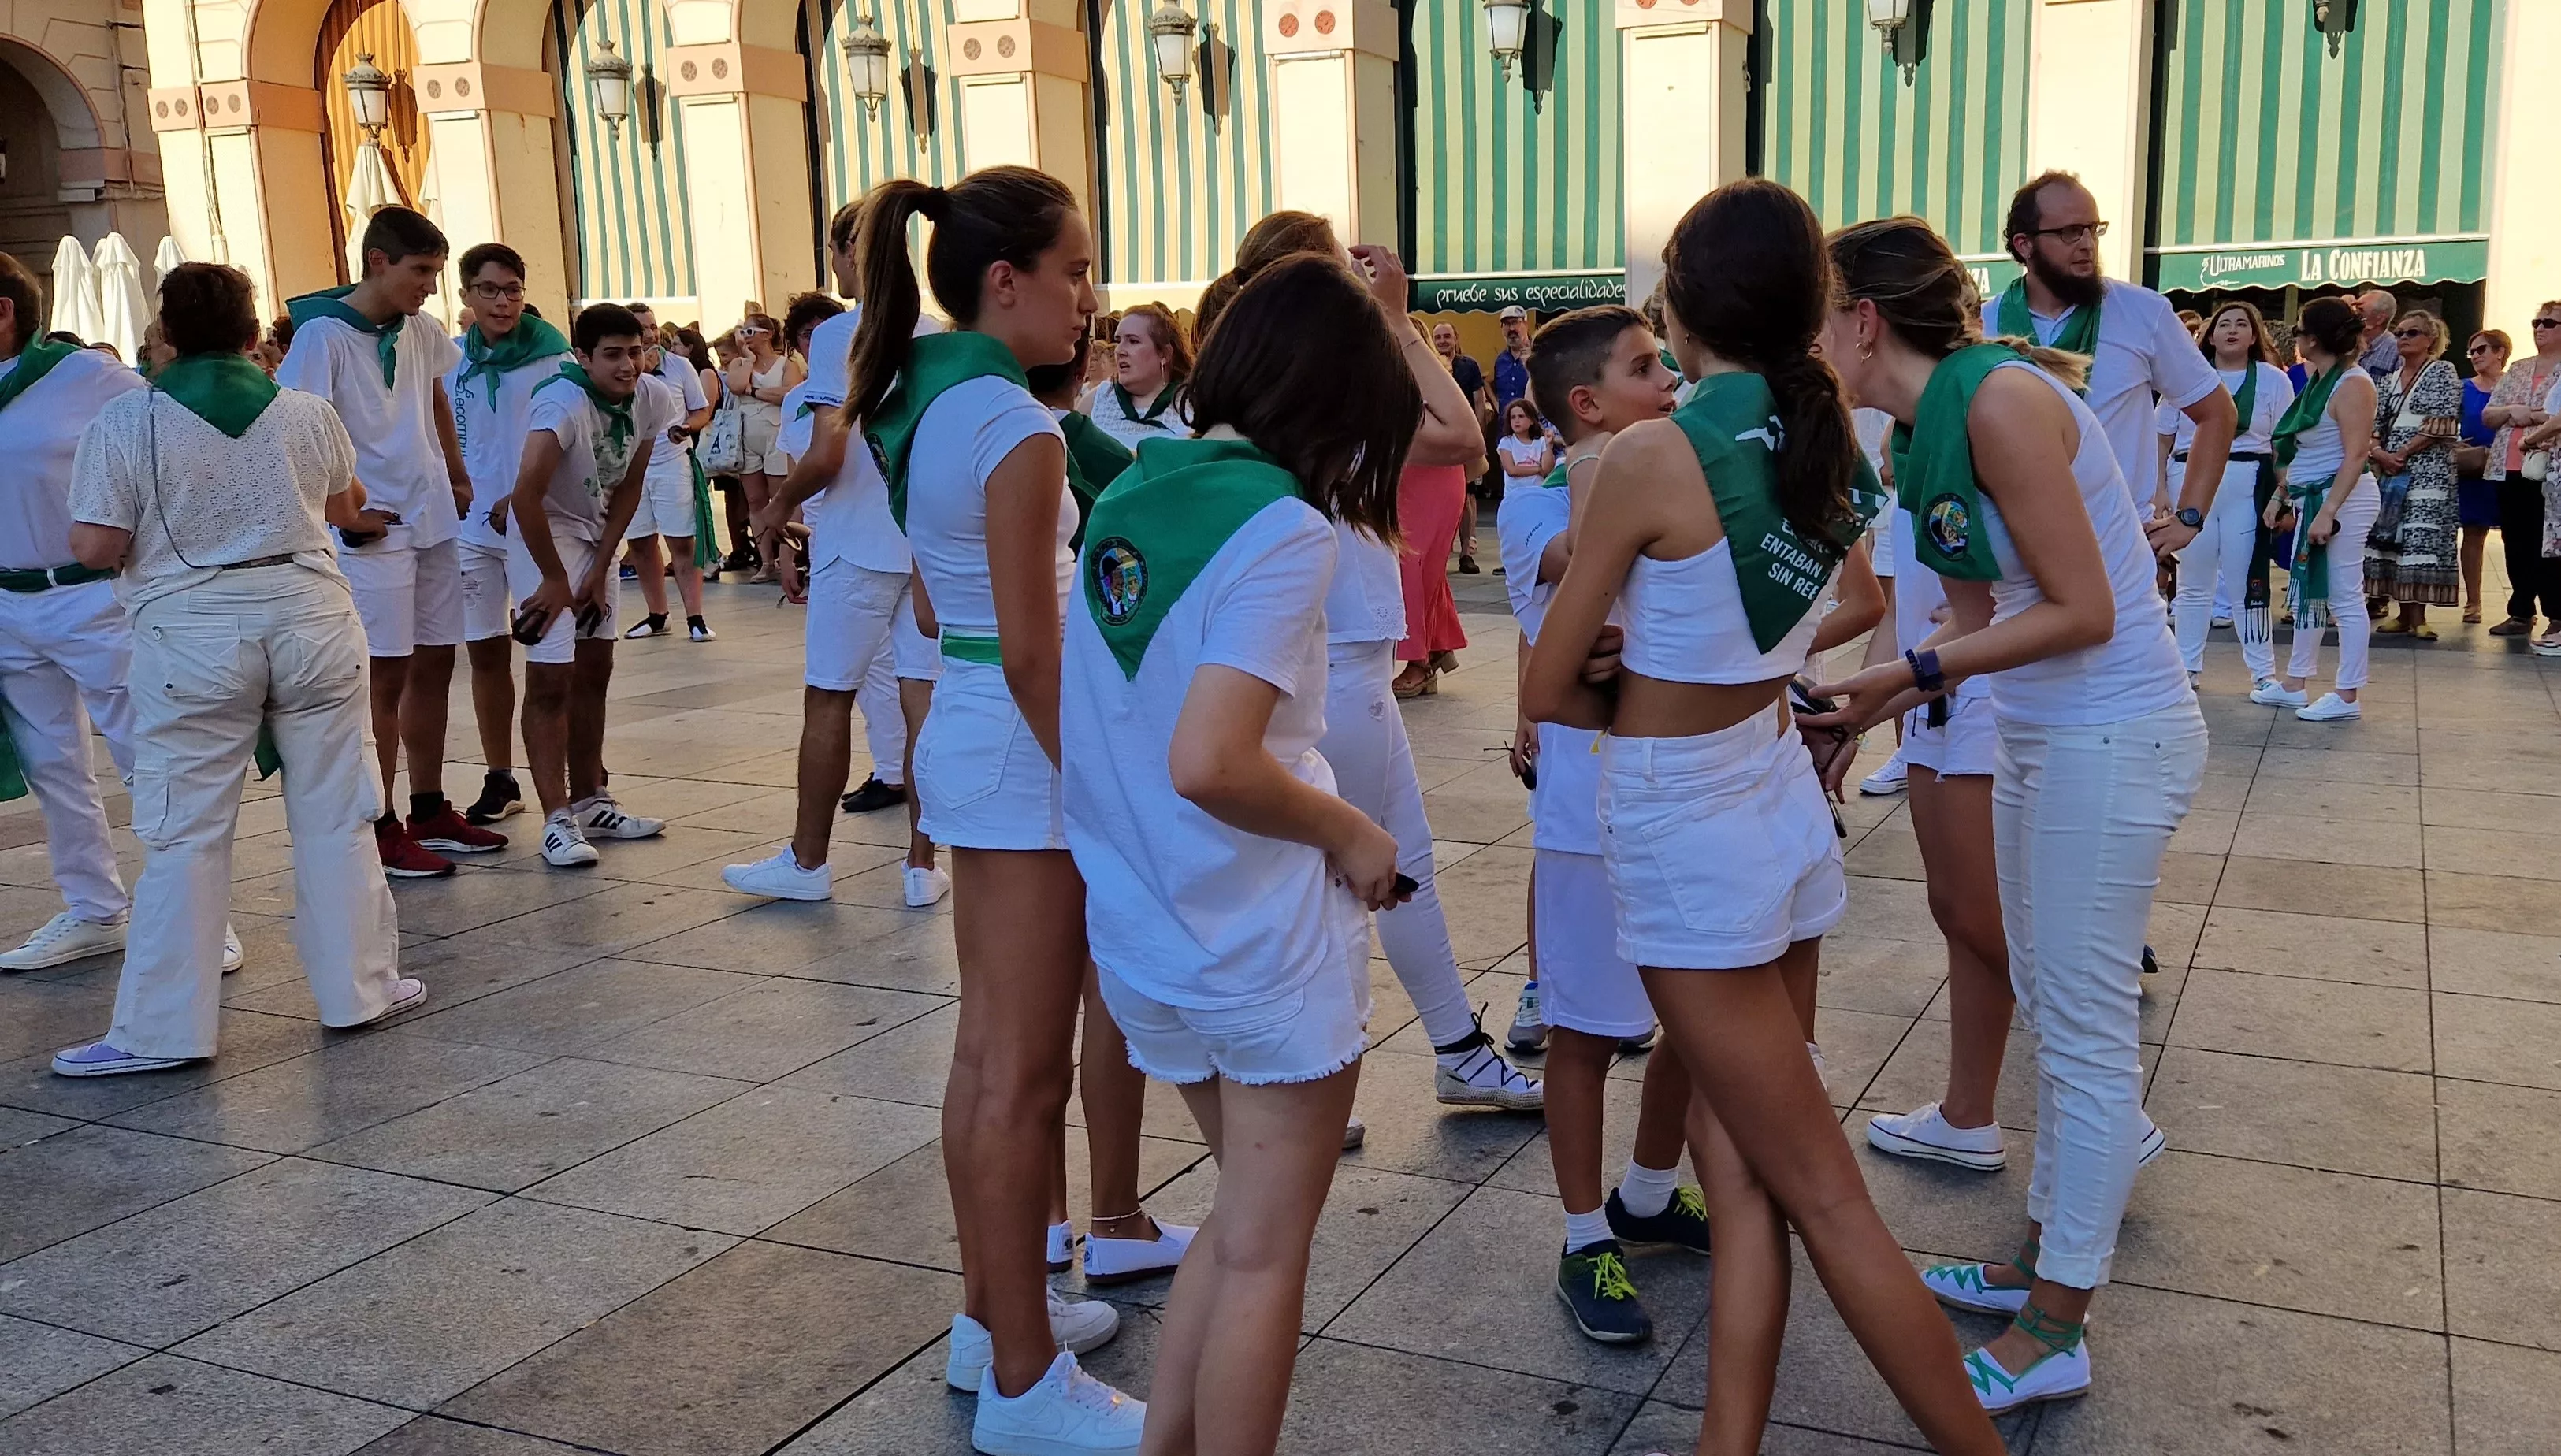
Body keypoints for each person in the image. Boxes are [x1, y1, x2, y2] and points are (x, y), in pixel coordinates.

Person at [1524, 182, 1992, 1454]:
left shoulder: (1652, 455)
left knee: (1823, 1193)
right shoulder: (1823, 434)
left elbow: (1546, 685)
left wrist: (1628, 674)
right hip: (1774, 793)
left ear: (1682, 305)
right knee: (1738, 1170)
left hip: (1687, 826)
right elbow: (1828, 608)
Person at [1812, 212, 2206, 1415]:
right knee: (2046, 997)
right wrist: (1868, 702)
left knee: (2080, 1034)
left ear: (1860, 320)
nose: (1800, 341)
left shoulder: (1998, 403)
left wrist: (1906, 676)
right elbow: (1970, 616)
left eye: (1810, 317)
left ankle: (2058, 1326)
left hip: (2111, 733)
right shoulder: (1920, 425)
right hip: (2045, 733)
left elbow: (2084, 608)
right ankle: (2039, 1259)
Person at [1061, 255, 1415, 1454]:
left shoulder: (1129, 488)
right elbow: (1212, 759)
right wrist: (1355, 834)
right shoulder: (1280, 525)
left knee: (1238, 1221)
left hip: (1144, 927)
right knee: (1268, 1248)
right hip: (1255, 928)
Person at [838, 165, 1138, 1447]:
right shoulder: (1013, 421)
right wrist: (1109, 790)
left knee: (988, 1059)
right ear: (1004, 280)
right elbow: (1032, 647)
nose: (1089, 297)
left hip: (975, 726)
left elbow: (951, 608)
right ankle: (1022, 1379)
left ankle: (991, 1320)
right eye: (1074, 270)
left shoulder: (930, 397)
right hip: (1025, 746)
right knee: (1019, 1075)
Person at [1195, 211, 1544, 1125]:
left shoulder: (1272, 389)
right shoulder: (1319, 392)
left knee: (1391, 862)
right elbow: (1460, 437)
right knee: (1333, 875)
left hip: (1340, 656)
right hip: (1327, 658)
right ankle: (1300, 1075)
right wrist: (1392, 318)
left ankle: (1450, 1050)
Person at [50, 262, 414, 1075]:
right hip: (313, 620)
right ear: (254, 335)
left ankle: (161, 1034)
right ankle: (361, 990)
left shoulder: (126, 420)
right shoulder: (306, 411)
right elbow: (345, 506)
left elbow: (97, 546)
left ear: (165, 336)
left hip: (193, 636)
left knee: (186, 832)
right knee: (336, 816)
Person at [1505, 304, 1712, 1346]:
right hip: (1587, 802)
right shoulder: (1538, 505)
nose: (1669, 381)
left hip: (1678, 787)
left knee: (1700, 1016)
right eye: (1643, 369)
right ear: (1585, 404)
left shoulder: (1673, 475)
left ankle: (1647, 1191)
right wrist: (1604, 462)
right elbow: (1593, 556)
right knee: (1585, 1028)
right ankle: (1585, 1238)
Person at [729, 200, 949, 910]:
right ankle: (921, 865)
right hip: (921, 544)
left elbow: (827, 452)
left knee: (828, 695)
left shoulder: (838, 335)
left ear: (850, 250)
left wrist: (775, 508)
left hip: (854, 540)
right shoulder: (939, 333)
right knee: (922, 700)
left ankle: (808, 861)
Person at [276, 206, 503, 878]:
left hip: (430, 515)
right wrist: (343, 511)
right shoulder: (322, 336)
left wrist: (456, 473)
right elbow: (300, 427)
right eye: (421, 271)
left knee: (436, 661)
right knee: (383, 674)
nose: (431, 286)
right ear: (378, 261)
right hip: (374, 524)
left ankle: (429, 806)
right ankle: (379, 823)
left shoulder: (420, 329)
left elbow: (436, 399)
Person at [0, 253, 151, 974]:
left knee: (145, 754)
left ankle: (196, 912)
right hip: (8, 604)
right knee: (51, 766)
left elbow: (164, 434)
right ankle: (94, 908)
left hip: (90, 596)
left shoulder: (87, 376)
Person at [1983, 172, 2236, 557]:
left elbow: (2216, 412)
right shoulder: (1984, 325)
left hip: (2118, 544)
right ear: (2025, 245)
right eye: (2070, 232)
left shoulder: (2143, 312)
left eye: (2093, 229)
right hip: (2014, 547)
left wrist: (2189, 518)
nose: (2087, 244)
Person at [504, 304, 672, 867]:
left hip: (594, 533)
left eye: (636, 352)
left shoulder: (653, 396)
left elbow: (630, 486)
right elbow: (525, 496)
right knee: (551, 676)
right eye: (613, 354)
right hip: (545, 533)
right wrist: (556, 578)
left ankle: (590, 799)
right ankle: (556, 820)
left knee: (596, 666)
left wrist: (601, 567)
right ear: (582, 357)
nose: (628, 365)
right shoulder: (562, 402)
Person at [444, 243, 571, 830]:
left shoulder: (555, 359)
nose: (502, 302)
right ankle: (500, 776)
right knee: (485, 651)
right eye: (489, 290)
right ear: (466, 295)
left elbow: (570, 441)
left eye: (513, 290)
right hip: (471, 531)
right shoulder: (452, 361)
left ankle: (575, 779)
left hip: (536, 526)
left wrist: (520, 496)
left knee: (552, 657)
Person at [2249, 296, 2383, 722]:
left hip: (2341, 498)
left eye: (2301, 330)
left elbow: (2355, 454)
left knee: (2344, 595)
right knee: (2309, 592)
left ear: (2315, 339)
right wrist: (2282, 494)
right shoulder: (2321, 378)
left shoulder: (2353, 384)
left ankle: (2348, 694)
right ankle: (2295, 683)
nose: (2297, 337)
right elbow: (2308, 450)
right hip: (2314, 496)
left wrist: (2329, 511)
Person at [2164, 301, 2293, 689]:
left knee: (2247, 578)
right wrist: (2158, 491)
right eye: (2224, 324)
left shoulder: (2273, 380)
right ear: (2210, 335)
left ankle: (2263, 672)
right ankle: (2186, 668)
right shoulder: (2187, 376)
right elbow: (2162, 436)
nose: (2232, 330)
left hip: (2248, 479)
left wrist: (2284, 493)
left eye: (2242, 324)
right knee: (2193, 580)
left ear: (2255, 336)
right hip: (2189, 476)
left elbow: (2283, 443)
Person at [2364, 311, 2462, 638]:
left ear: (2430, 339)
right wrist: (2380, 453)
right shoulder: (2388, 379)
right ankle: (2403, 614)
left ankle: (2418, 617)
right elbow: (2374, 425)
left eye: (2412, 333)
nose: (2403, 338)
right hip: (2391, 470)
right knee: (2393, 538)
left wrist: (2403, 453)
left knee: (2420, 539)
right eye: (2400, 333)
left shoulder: (2442, 371)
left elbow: (2442, 420)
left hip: (2428, 470)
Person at [620, 324, 720, 644]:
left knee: (682, 542)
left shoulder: (679, 366)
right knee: (640, 542)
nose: (651, 333)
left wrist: (687, 427)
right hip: (631, 467)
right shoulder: (619, 368)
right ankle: (657, 615)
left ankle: (696, 618)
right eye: (642, 328)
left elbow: (702, 410)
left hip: (671, 462)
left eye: (653, 326)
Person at [2481, 303, 2561, 638]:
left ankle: (2557, 614)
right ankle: (2521, 611)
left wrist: (2530, 416)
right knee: (2515, 541)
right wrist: (2516, 409)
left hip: (2550, 469)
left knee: (2550, 543)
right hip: (2508, 466)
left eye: (2549, 323)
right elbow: (2489, 415)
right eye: (2536, 322)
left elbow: (2554, 416)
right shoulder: (2518, 367)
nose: (2539, 328)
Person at [723, 312, 800, 581]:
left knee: (780, 496)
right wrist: (748, 359)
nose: (744, 337)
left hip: (776, 434)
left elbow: (790, 394)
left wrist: (754, 392)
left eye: (750, 332)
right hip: (747, 435)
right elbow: (736, 385)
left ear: (767, 334)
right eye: (742, 332)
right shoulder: (740, 363)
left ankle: (786, 556)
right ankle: (766, 561)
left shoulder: (786, 365)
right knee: (755, 500)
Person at [1080, 303, 1190, 451]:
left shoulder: (1191, 404)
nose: (1119, 350)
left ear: (1165, 354)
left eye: (1133, 341)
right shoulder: (1096, 402)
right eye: (1118, 341)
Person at [2457, 329, 2509, 624]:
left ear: (2500, 352)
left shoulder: (2514, 384)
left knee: (2516, 536)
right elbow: (2447, 424)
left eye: (2482, 350)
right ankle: (2473, 602)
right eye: (2472, 351)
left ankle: (2522, 604)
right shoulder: (2463, 388)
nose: (2475, 356)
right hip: (2474, 468)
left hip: (2510, 467)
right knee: (2473, 533)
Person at [1496, 399, 1554, 485]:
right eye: (1513, 417)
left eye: (1521, 416)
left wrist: (1549, 445)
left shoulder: (1541, 441)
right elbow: (1511, 470)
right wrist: (1537, 469)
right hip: (1515, 491)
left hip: (1537, 490)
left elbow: (1547, 470)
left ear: (1531, 421)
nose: (1516, 420)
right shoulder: (1506, 442)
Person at [2357, 289, 2403, 379]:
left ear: (2380, 319)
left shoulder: (2396, 351)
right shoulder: (2347, 342)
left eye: (2361, 311)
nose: (2355, 314)